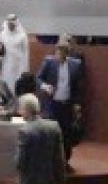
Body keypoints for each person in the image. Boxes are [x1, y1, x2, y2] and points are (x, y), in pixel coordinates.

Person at [36, 40, 84, 169]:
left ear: (68, 53)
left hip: (67, 106)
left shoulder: (76, 64)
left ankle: (65, 162)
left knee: (66, 135)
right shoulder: (48, 62)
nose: (60, 55)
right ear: (55, 51)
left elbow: (78, 86)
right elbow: (38, 78)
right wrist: (45, 86)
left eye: (63, 52)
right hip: (52, 105)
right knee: (50, 134)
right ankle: (49, 163)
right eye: (58, 52)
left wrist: (77, 103)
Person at [0, 14, 29, 94]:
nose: (10, 25)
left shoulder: (22, 35)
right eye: (9, 23)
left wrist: (25, 69)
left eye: (12, 23)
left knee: (17, 86)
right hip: (6, 65)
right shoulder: (2, 34)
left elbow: (26, 53)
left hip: (19, 66)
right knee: (5, 85)